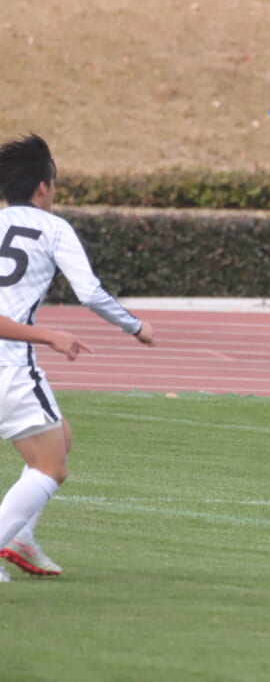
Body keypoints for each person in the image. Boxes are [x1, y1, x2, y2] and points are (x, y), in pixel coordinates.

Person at [0, 134, 155, 581]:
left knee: (60, 437)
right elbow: (89, 292)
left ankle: (21, 537)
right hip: (9, 364)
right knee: (51, 467)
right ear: (43, 186)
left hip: (12, 362)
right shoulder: (54, 229)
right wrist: (135, 326)